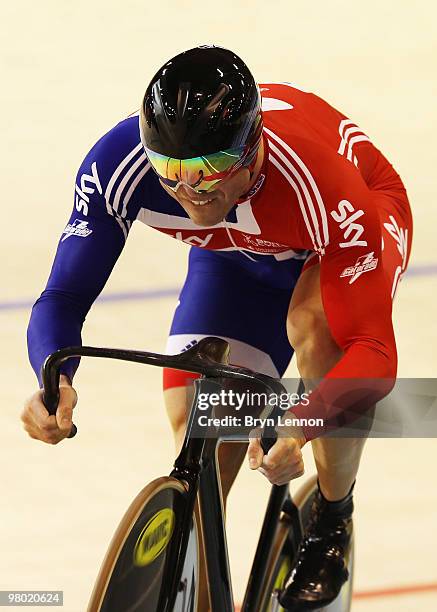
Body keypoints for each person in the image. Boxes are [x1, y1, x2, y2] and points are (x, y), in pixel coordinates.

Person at [22, 45, 412, 609]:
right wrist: (52, 374)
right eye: (171, 171)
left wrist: (301, 425)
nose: (189, 190)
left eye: (207, 170)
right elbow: (62, 294)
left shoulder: (321, 186)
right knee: (200, 429)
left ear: (252, 150)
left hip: (345, 225)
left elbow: (373, 352)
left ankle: (332, 516)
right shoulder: (116, 166)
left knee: (315, 327)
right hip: (236, 258)